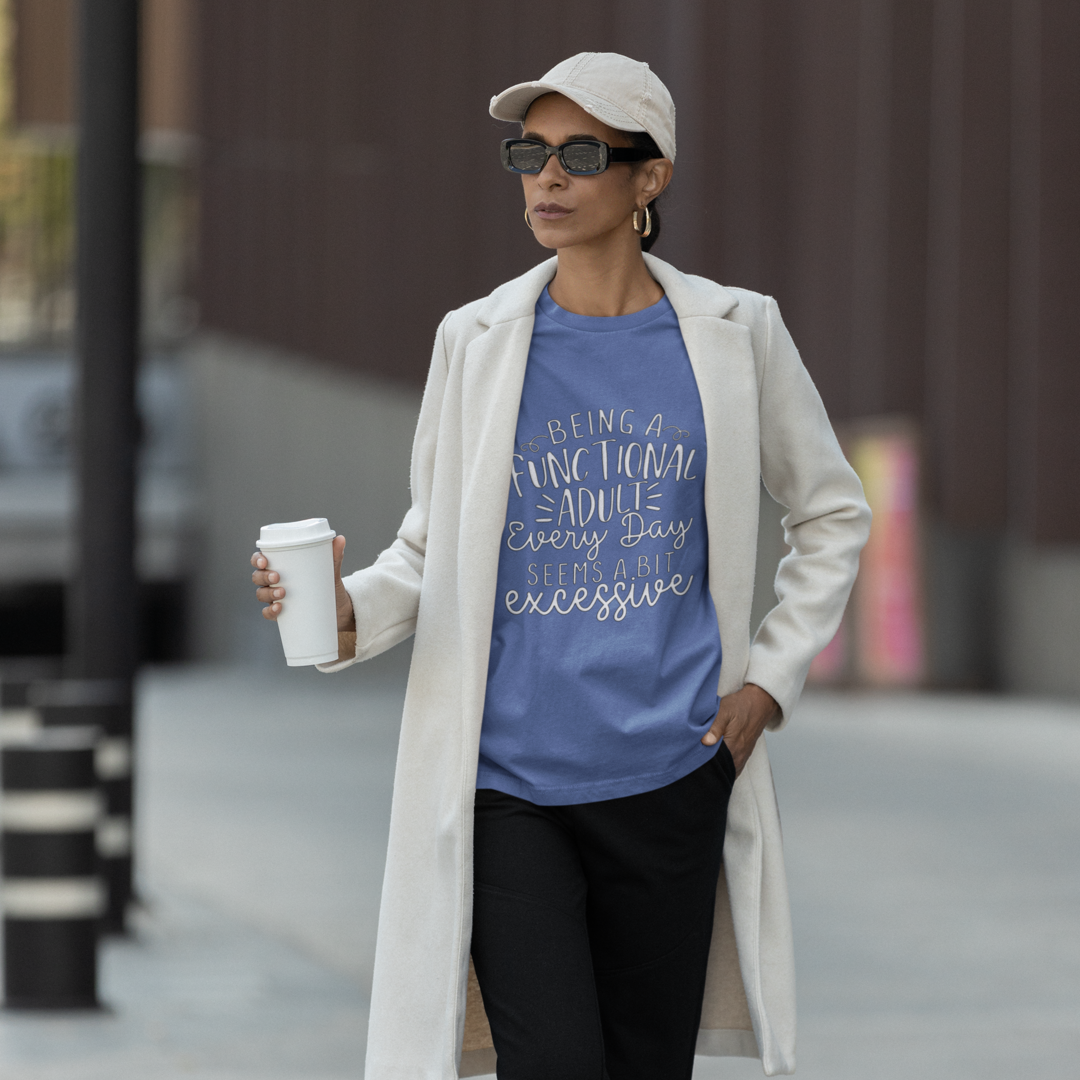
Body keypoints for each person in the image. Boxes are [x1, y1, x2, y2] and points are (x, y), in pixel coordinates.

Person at [251, 52, 870, 1080]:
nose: (547, 177)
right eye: (530, 153)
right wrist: (343, 613)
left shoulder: (734, 334)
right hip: (510, 787)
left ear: (650, 177)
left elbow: (831, 510)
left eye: (582, 154)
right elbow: (427, 547)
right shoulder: (478, 341)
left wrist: (769, 681)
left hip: (673, 774)